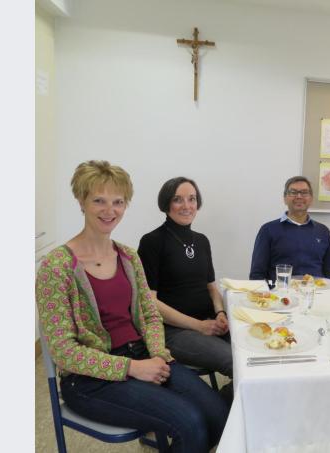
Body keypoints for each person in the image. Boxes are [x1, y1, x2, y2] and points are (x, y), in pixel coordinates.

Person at [36, 161, 227, 452]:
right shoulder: (57, 266)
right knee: (191, 424)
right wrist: (132, 368)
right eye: (98, 200)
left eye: (118, 202)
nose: (109, 210)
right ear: (81, 201)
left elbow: (150, 316)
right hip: (91, 380)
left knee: (219, 415)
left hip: (142, 355)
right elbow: (64, 352)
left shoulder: (127, 256)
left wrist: (157, 355)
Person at [138, 177, 233, 381]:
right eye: (178, 199)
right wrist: (198, 326)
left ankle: (237, 402)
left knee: (252, 350)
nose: (187, 206)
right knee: (233, 359)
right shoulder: (152, 242)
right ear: (166, 203)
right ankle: (228, 409)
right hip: (173, 331)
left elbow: (211, 287)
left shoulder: (201, 241)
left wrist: (220, 313)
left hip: (208, 320)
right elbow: (150, 301)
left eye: (192, 199)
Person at [249, 176, 330, 281]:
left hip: (316, 293)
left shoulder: (323, 231)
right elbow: (257, 274)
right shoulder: (268, 230)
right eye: (293, 192)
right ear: (285, 198)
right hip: (281, 293)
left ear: (311, 199)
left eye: (304, 192)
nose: (299, 196)